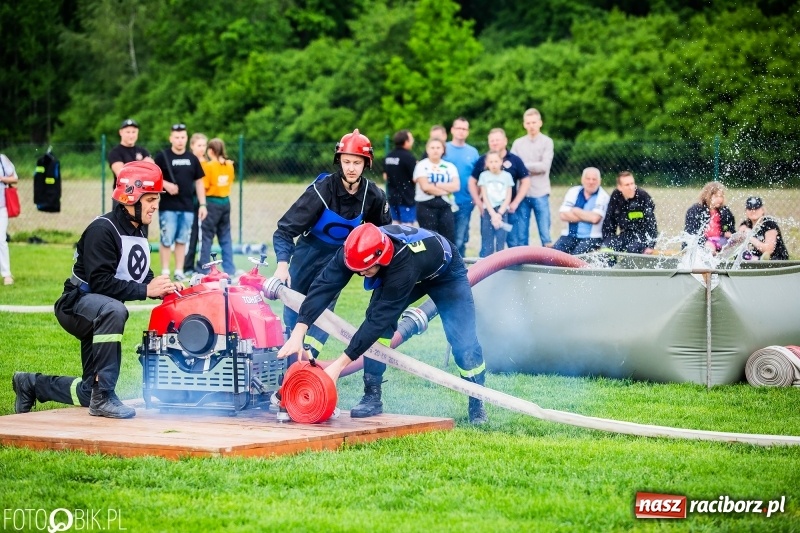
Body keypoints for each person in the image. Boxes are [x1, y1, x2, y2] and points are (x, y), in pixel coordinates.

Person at [11, 161, 183, 418]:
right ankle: (103, 398)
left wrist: (161, 286)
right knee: (115, 310)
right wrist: (145, 290)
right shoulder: (102, 229)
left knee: (85, 392)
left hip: (98, 308)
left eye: (156, 198)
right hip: (76, 304)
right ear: (130, 198)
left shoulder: (137, 228)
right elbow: (101, 282)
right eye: (150, 199)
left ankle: (30, 384)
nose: (155, 205)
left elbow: (136, 273)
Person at [277, 223, 488, 424]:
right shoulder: (353, 249)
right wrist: (299, 331)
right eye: (357, 270)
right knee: (380, 332)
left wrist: (337, 367)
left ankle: (477, 400)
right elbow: (323, 286)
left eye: (366, 269)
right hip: (401, 268)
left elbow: (377, 321)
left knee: (463, 341)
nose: (361, 274)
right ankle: (372, 395)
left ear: (382, 257)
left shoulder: (402, 266)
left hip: (445, 275)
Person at [273, 129, 390, 359]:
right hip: (308, 253)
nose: (351, 167)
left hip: (339, 259)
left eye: (357, 162)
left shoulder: (373, 195)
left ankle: (309, 361)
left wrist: (373, 267)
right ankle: (288, 360)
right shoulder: (321, 189)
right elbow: (284, 230)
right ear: (339, 161)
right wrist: (282, 265)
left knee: (324, 309)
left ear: (366, 164)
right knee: (293, 312)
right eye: (346, 161)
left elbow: (384, 236)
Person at [153, 123, 207, 281]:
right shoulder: (162, 156)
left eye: (183, 137)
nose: (180, 140)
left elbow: (199, 182)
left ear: (187, 138)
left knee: (182, 240)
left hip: (188, 207)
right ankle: (164, 271)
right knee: (166, 239)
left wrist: (203, 204)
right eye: (176, 137)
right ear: (171, 138)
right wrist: (166, 185)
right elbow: (154, 177)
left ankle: (178, 270)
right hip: (167, 207)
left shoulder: (192, 158)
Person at [469, 128, 530, 248]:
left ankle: (512, 266)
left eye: (497, 140)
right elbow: (472, 182)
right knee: (487, 243)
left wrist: (515, 202)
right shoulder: (483, 160)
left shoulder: (515, 160)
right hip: (488, 209)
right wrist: (478, 203)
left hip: (509, 209)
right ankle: (487, 266)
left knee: (512, 242)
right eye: (492, 140)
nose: (494, 143)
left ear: (505, 141)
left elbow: (526, 181)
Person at [510, 108, 554, 247]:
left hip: (540, 192)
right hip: (522, 194)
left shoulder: (547, 142)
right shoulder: (518, 143)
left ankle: (549, 264)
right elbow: (513, 167)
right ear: (524, 124)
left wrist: (523, 167)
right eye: (528, 123)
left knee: (545, 234)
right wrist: (530, 168)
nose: (531, 126)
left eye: (534, 122)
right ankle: (524, 265)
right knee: (521, 235)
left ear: (540, 123)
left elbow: (544, 166)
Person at [197, 138, 236, 275]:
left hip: (212, 202)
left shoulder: (209, 166)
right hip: (225, 202)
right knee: (225, 236)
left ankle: (204, 267)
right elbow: (230, 181)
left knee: (207, 236)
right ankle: (229, 268)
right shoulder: (229, 165)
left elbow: (204, 186)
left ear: (211, 151)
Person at [443, 117, 480, 257]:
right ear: (452, 130)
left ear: (468, 132)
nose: (461, 131)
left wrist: (476, 198)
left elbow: (478, 178)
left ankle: (460, 266)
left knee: (461, 238)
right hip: (445, 201)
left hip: (465, 202)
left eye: (464, 129)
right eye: (458, 128)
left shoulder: (473, 152)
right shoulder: (443, 149)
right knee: (445, 237)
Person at [553, 167, 610, 255]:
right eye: (588, 179)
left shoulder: (603, 196)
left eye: (594, 179)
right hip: (569, 235)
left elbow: (595, 219)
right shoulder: (573, 191)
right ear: (582, 180)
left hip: (592, 237)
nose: (591, 182)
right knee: (554, 255)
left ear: (599, 181)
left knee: (576, 257)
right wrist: (587, 216)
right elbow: (563, 215)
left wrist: (575, 210)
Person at [414, 138, 460, 243]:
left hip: (445, 204)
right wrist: (445, 189)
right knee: (429, 238)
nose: (435, 150)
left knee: (448, 237)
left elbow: (456, 186)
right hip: (425, 204)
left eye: (438, 147)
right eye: (432, 147)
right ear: (427, 149)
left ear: (443, 150)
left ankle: (448, 258)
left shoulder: (449, 166)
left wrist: (436, 185)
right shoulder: (421, 165)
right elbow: (425, 187)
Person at [600, 171, 658, 254]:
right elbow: (609, 223)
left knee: (631, 249)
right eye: (627, 185)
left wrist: (650, 246)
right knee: (606, 248)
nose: (631, 187)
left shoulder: (642, 196)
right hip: (625, 234)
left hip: (642, 236)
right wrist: (606, 241)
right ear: (619, 187)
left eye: (632, 184)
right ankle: (610, 266)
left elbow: (652, 224)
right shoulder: (615, 197)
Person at [477, 151, 514, 257]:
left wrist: (499, 214)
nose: (493, 164)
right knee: (487, 240)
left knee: (501, 240)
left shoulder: (507, 176)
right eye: (491, 161)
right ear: (487, 163)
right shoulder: (484, 176)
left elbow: (508, 197)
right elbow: (484, 196)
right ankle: (485, 267)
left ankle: (500, 266)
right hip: (489, 210)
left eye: (496, 161)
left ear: (501, 162)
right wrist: (493, 214)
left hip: (502, 211)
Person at [683, 181, 735, 253]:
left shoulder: (725, 211)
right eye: (716, 196)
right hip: (701, 244)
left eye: (721, 196)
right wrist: (705, 242)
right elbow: (691, 233)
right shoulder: (696, 210)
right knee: (709, 249)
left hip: (720, 241)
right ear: (707, 196)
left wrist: (729, 234)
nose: (720, 199)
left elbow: (731, 230)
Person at [184, 132, 208, 273]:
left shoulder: (208, 163)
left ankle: (201, 266)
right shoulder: (189, 161)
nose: (202, 148)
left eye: (204, 145)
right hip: (190, 204)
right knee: (190, 236)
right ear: (192, 146)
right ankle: (187, 267)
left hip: (203, 204)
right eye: (199, 145)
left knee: (202, 236)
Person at [382, 129, 417, 225]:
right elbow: (415, 178)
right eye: (411, 139)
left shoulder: (388, 156)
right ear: (406, 141)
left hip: (392, 197)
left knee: (395, 226)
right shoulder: (409, 157)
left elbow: (385, 176)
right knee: (408, 228)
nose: (413, 141)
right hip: (406, 198)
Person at [107, 119, 154, 185]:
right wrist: (142, 167)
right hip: (123, 194)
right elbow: (122, 175)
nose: (131, 135)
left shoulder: (143, 151)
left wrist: (130, 170)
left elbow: (153, 171)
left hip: (143, 193)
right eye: (128, 132)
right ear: (121, 132)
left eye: (133, 132)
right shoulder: (115, 152)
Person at [0, 153, 19, 285]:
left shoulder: (2, 159)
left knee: (1, 240)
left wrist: (1, 178)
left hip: (1, 207)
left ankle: (6, 274)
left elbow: (14, 178)